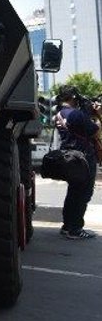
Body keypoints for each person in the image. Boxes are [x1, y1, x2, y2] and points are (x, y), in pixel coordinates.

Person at [53, 85, 99, 240]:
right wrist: (92, 113)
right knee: (83, 193)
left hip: (70, 157)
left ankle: (67, 226)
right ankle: (75, 229)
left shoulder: (59, 113)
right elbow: (94, 130)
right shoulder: (76, 114)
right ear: (73, 97)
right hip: (83, 157)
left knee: (73, 192)